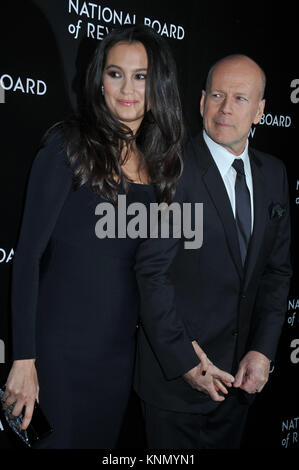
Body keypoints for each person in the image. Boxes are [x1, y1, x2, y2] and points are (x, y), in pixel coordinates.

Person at [1, 25, 185, 449]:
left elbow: (152, 270)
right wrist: (24, 359)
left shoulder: (161, 166)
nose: (127, 88)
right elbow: (27, 257)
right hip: (59, 353)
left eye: (140, 76)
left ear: (157, 85)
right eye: (115, 73)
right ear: (99, 80)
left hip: (118, 356)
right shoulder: (69, 147)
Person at [134, 54, 292, 449]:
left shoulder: (274, 174)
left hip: (239, 385)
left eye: (240, 99)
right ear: (202, 101)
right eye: (218, 95)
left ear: (260, 111)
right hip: (176, 387)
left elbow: (276, 272)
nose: (225, 108)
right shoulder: (172, 168)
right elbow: (151, 275)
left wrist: (261, 351)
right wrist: (185, 363)